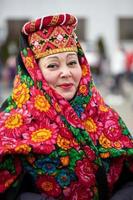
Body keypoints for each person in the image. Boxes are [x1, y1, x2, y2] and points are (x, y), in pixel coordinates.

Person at [0, 13, 133, 200]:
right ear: (34, 72)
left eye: (72, 62)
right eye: (53, 66)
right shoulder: (12, 125)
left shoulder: (105, 116)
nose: (66, 73)